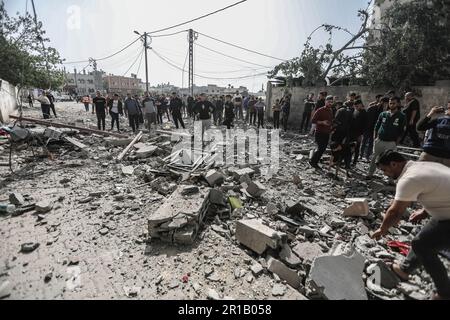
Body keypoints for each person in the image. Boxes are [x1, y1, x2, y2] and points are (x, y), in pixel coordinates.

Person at [371, 150, 450, 300]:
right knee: (422, 239)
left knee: (422, 245)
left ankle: (445, 293)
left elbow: (395, 212)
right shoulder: (420, 166)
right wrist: (424, 211)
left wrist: (382, 229)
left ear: (394, 164)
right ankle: (404, 269)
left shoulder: (409, 178)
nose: (385, 174)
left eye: (384, 170)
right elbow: (439, 188)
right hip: (445, 212)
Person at [367, 96, 406, 179]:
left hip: (391, 142)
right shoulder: (383, 114)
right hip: (380, 141)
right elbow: (377, 126)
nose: (391, 105)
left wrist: (396, 142)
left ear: (398, 104)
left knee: (390, 161)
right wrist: (375, 138)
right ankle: (370, 174)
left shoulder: (401, 116)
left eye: (393, 103)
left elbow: (402, 131)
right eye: (390, 103)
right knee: (375, 158)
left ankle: (390, 180)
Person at [416, 102, 450, 167]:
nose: (448, 110)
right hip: (430, 153)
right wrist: (431, 113)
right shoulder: (438, 120)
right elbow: (420, 127)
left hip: (446, 158)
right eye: (448, 108)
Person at [309, 95, 334, 169]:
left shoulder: (330, 110)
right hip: (319, 132)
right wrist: (322, 122)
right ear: (325, 101)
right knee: (321, 148)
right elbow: (313, 120)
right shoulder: (320, 110)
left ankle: (314, 160)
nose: (330, 103)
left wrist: (332, 126)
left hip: (327, 133)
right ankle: (313, 162)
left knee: (323, 148)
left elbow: (330, 121)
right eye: (328, 102)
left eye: (331, 102)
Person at [361, 96, 388, 161]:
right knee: (364, 142)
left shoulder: (383, 111)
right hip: (367, 128)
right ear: (381, 102)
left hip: (374, 129)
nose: (386, 105)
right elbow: (366, 120)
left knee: (371, 143)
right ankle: (361, 155)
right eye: (386, 103)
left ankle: (367, 156)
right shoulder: (371, 108)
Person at [350, 100, 368, 165]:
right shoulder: (355, 111)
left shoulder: (364, 113)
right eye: (355, 106)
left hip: (359, 134)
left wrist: (361, 135)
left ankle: (354, 162)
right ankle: (349, 160)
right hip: (352, 133)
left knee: (357, 149)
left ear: (360, 105)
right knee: (351, 147)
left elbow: (365, 125)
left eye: (357, 106)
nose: (356, 108)